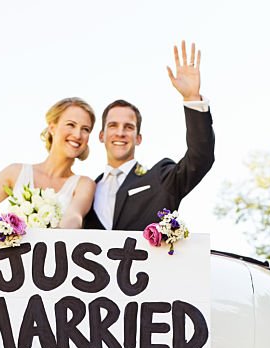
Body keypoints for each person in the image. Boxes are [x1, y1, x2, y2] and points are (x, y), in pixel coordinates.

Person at [84, 41, 215, 232]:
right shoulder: (87, 190)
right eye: (113, 125)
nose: (120, 132)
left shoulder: (161, 178)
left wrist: (192, 98)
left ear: (138, 138)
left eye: (128, 127)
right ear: (102, 135)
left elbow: (201, 158)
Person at [0, 98, 97, 228]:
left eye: (85, 129)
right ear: (52, 128)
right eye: (71, 125)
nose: (78, 135)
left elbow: (74, 217)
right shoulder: (16, 173)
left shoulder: (84, 184)